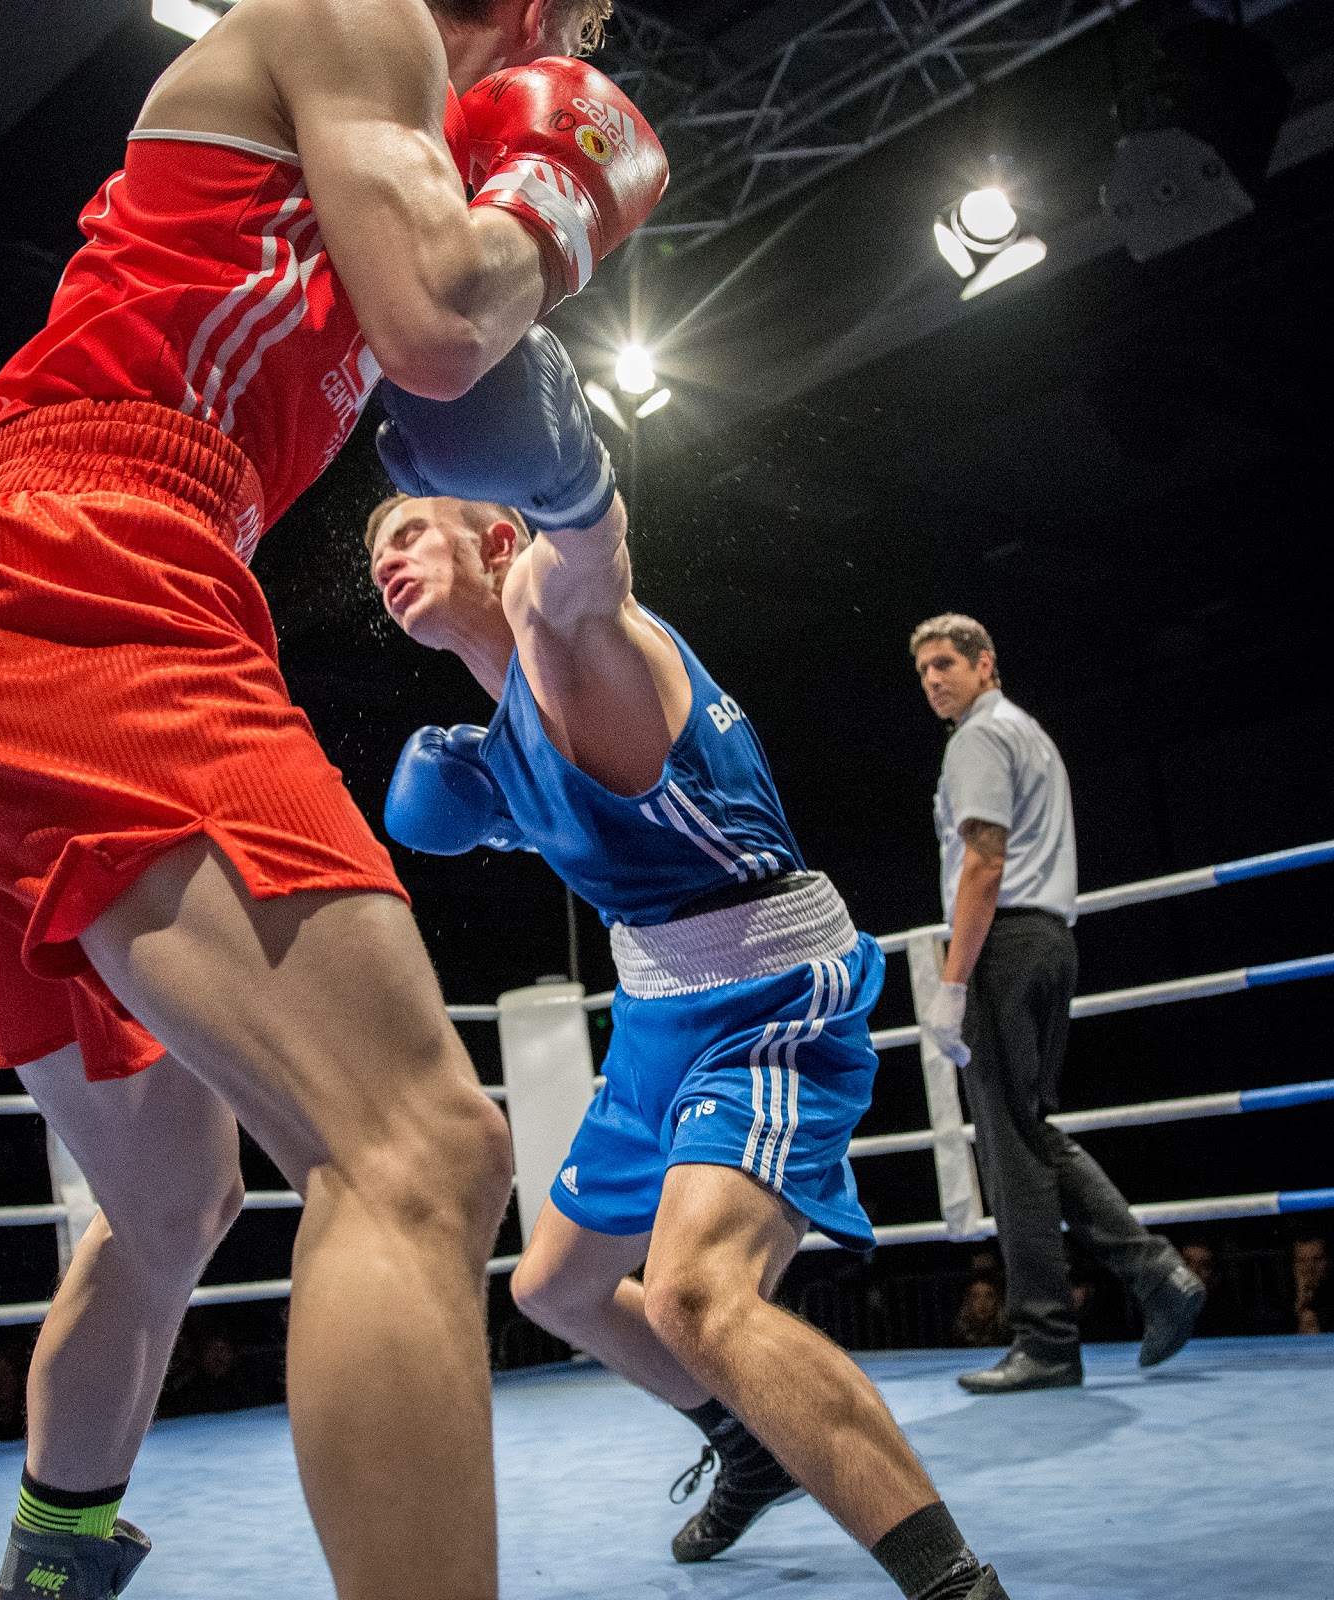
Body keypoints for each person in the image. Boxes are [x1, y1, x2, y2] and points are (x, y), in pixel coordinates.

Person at [0, 1, 667, 1594]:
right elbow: (446, 327)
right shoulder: (355, 17)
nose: (564, 30)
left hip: (8, 610)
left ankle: (55, 1559)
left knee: (173, 1200)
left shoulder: (387, 144)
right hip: (96, 566)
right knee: (426, 1153)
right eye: (567, 11)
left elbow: (432, 363)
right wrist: (563, 204)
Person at [363, 328, 1011, 1598]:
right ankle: (742, 1441)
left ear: (496, 537)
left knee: (695, 1298)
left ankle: (952, 1582)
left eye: (412, 529)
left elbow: (588, 563)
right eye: (374, 544)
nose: (384, 552)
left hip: (768, 998)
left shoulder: (559, 617)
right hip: (660, 1014)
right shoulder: (491, 743)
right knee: (556, 1285)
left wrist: (566, 480)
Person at [909, 616, 1206, 1392]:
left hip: (1003, 945)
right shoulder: (1028, 732)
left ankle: (1047, 1338)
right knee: (1026, 1133)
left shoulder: (978, 737)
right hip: (1048, 942)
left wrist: (950, 982)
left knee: (1010, 1149)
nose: (934, 680)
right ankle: (1154, 1276)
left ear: (985, 665)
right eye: (924, 671)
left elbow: (984, 861)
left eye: (945, 664)